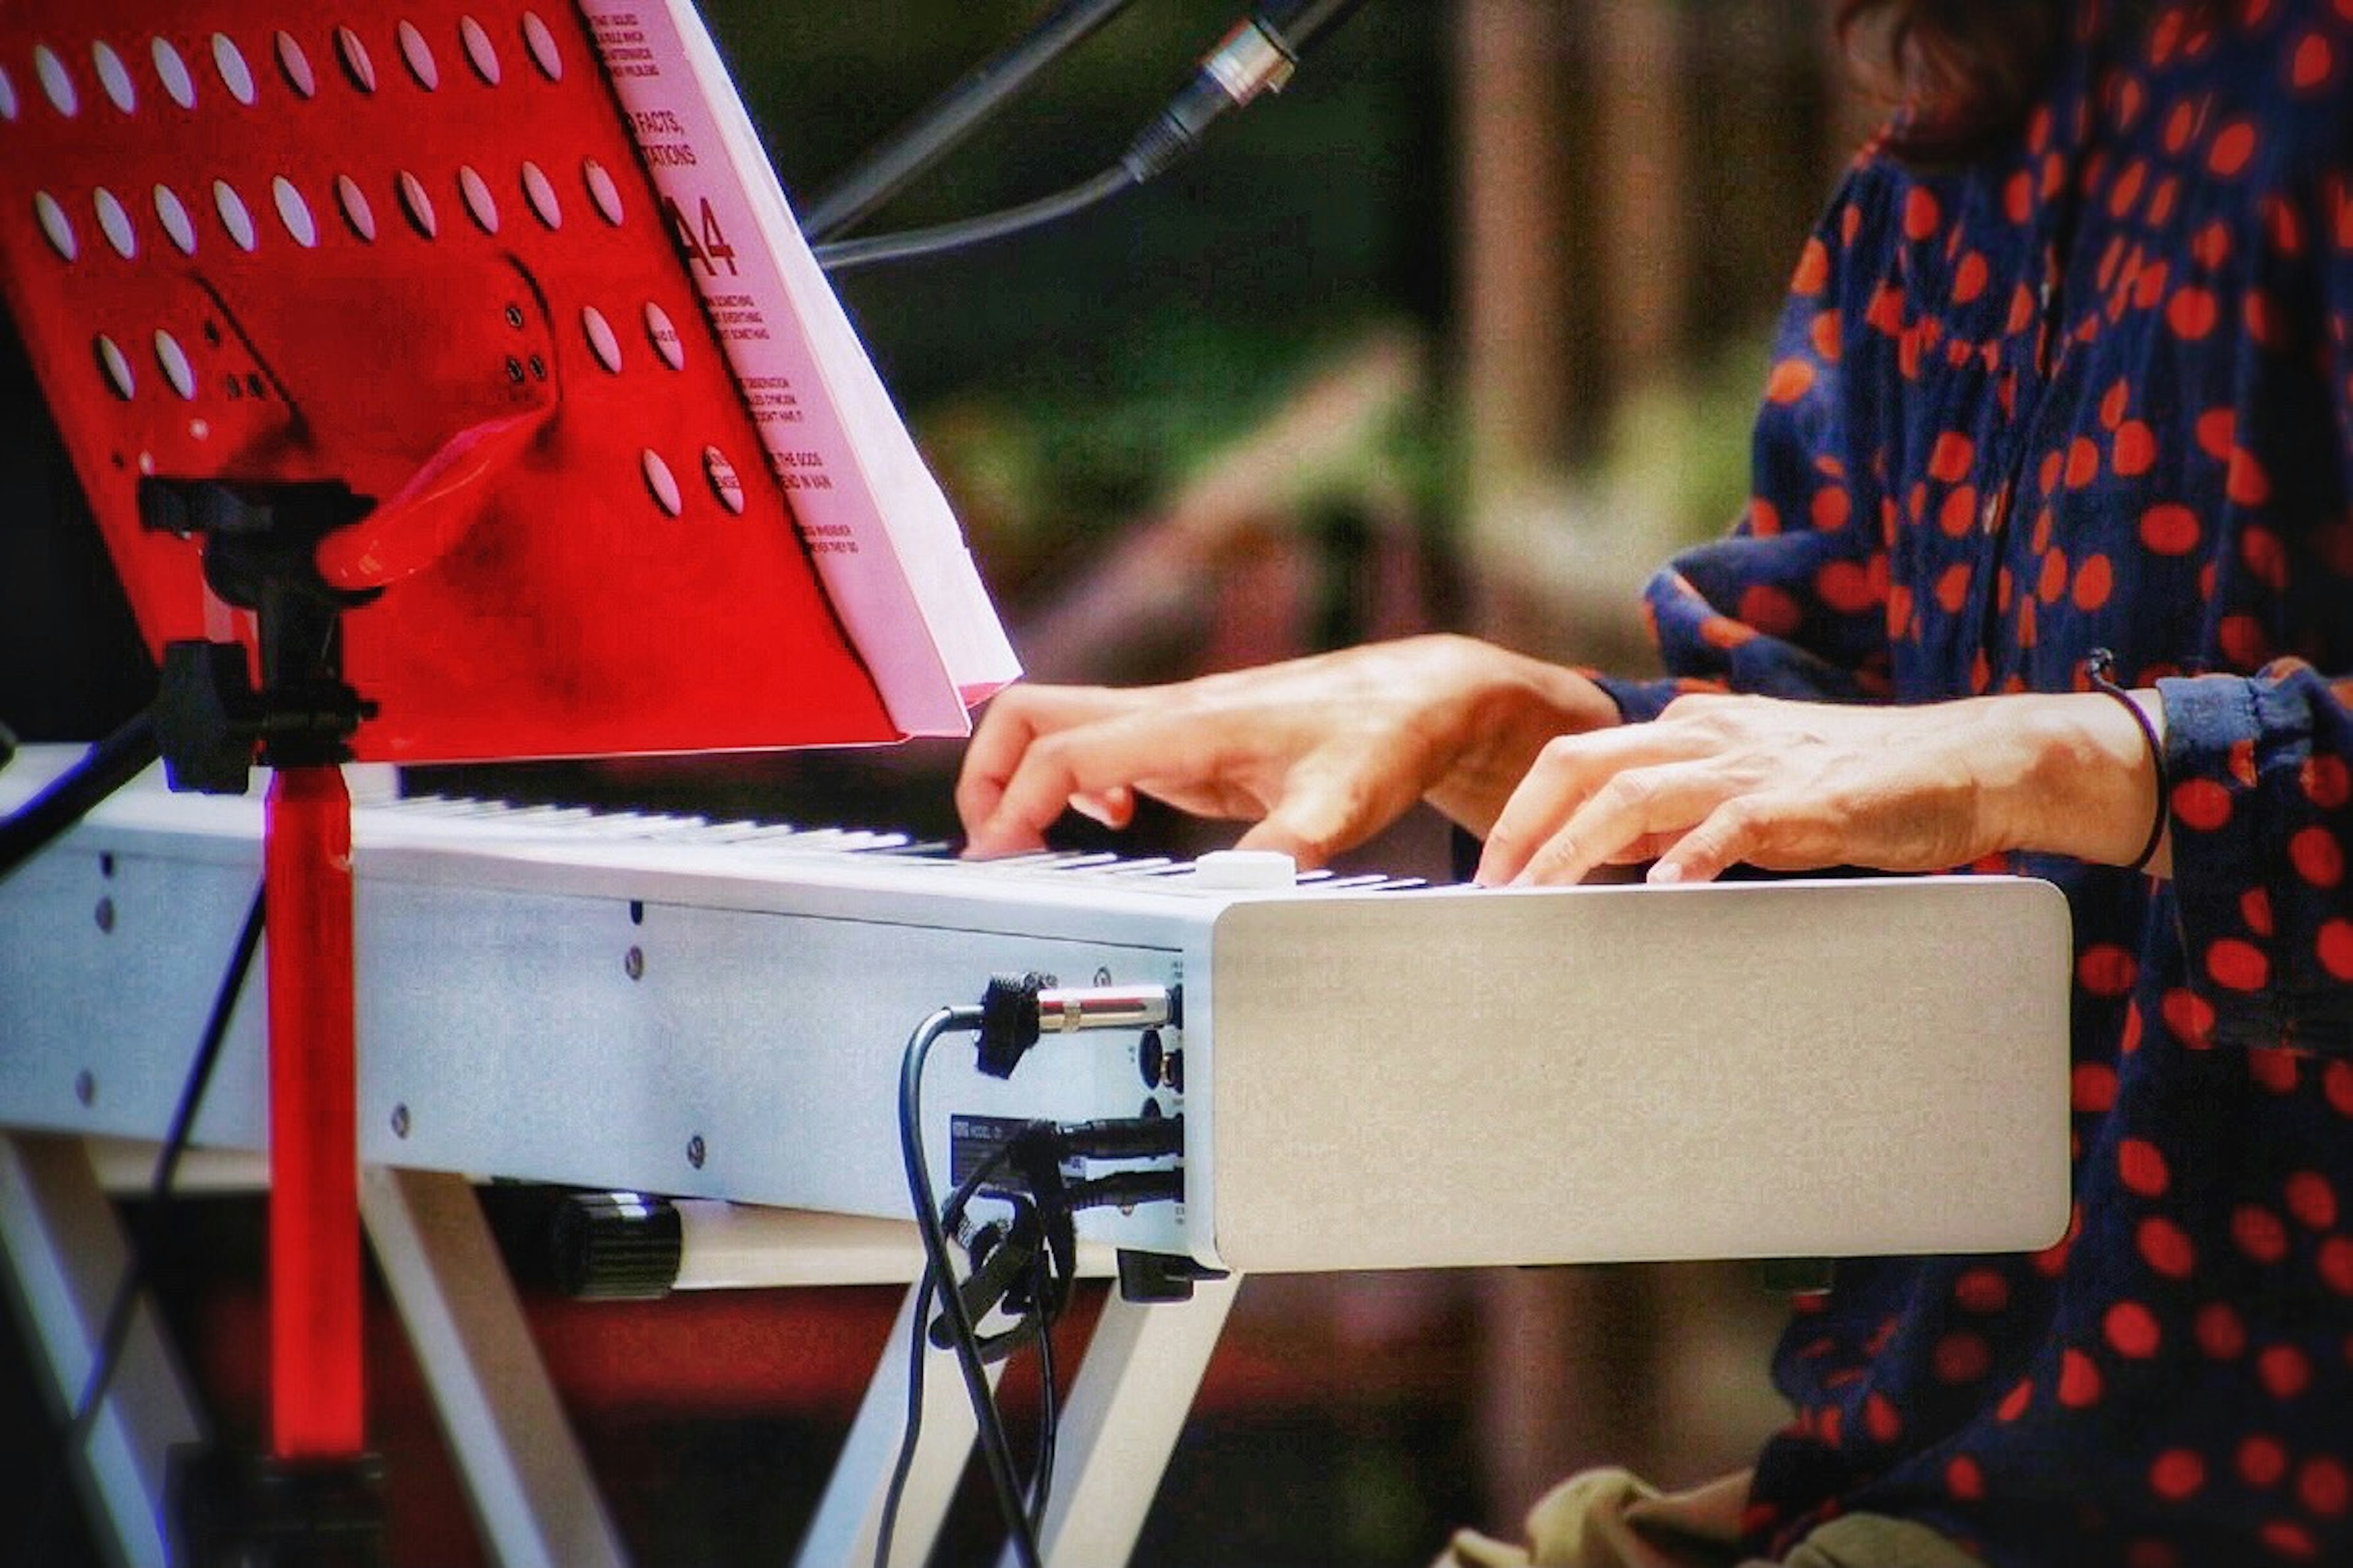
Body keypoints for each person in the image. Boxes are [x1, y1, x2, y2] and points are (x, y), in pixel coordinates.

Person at [952, 0, 2353, 1562]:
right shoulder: (1950, 172)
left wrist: (2077, 754)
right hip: (1932, 1459)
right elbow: (1874, 817)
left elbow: (1983, 781)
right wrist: (1518, 726)